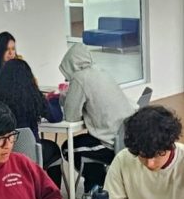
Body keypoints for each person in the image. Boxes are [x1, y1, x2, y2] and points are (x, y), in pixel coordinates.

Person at [58, 42, 135, 188]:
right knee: (85, 143)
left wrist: (64, 98)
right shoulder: (100, 71)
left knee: (68, 148)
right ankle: (96, 184)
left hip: (109, 143)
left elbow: (71, 116)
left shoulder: (79, 78)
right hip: (125, 137)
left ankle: (100, 185)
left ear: (70, 64)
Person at [0, 59, 63, 185]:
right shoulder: (32, 95)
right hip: (29, 152)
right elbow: (55, 117)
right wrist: (53, 100)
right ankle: (52, 193)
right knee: (53, 149)